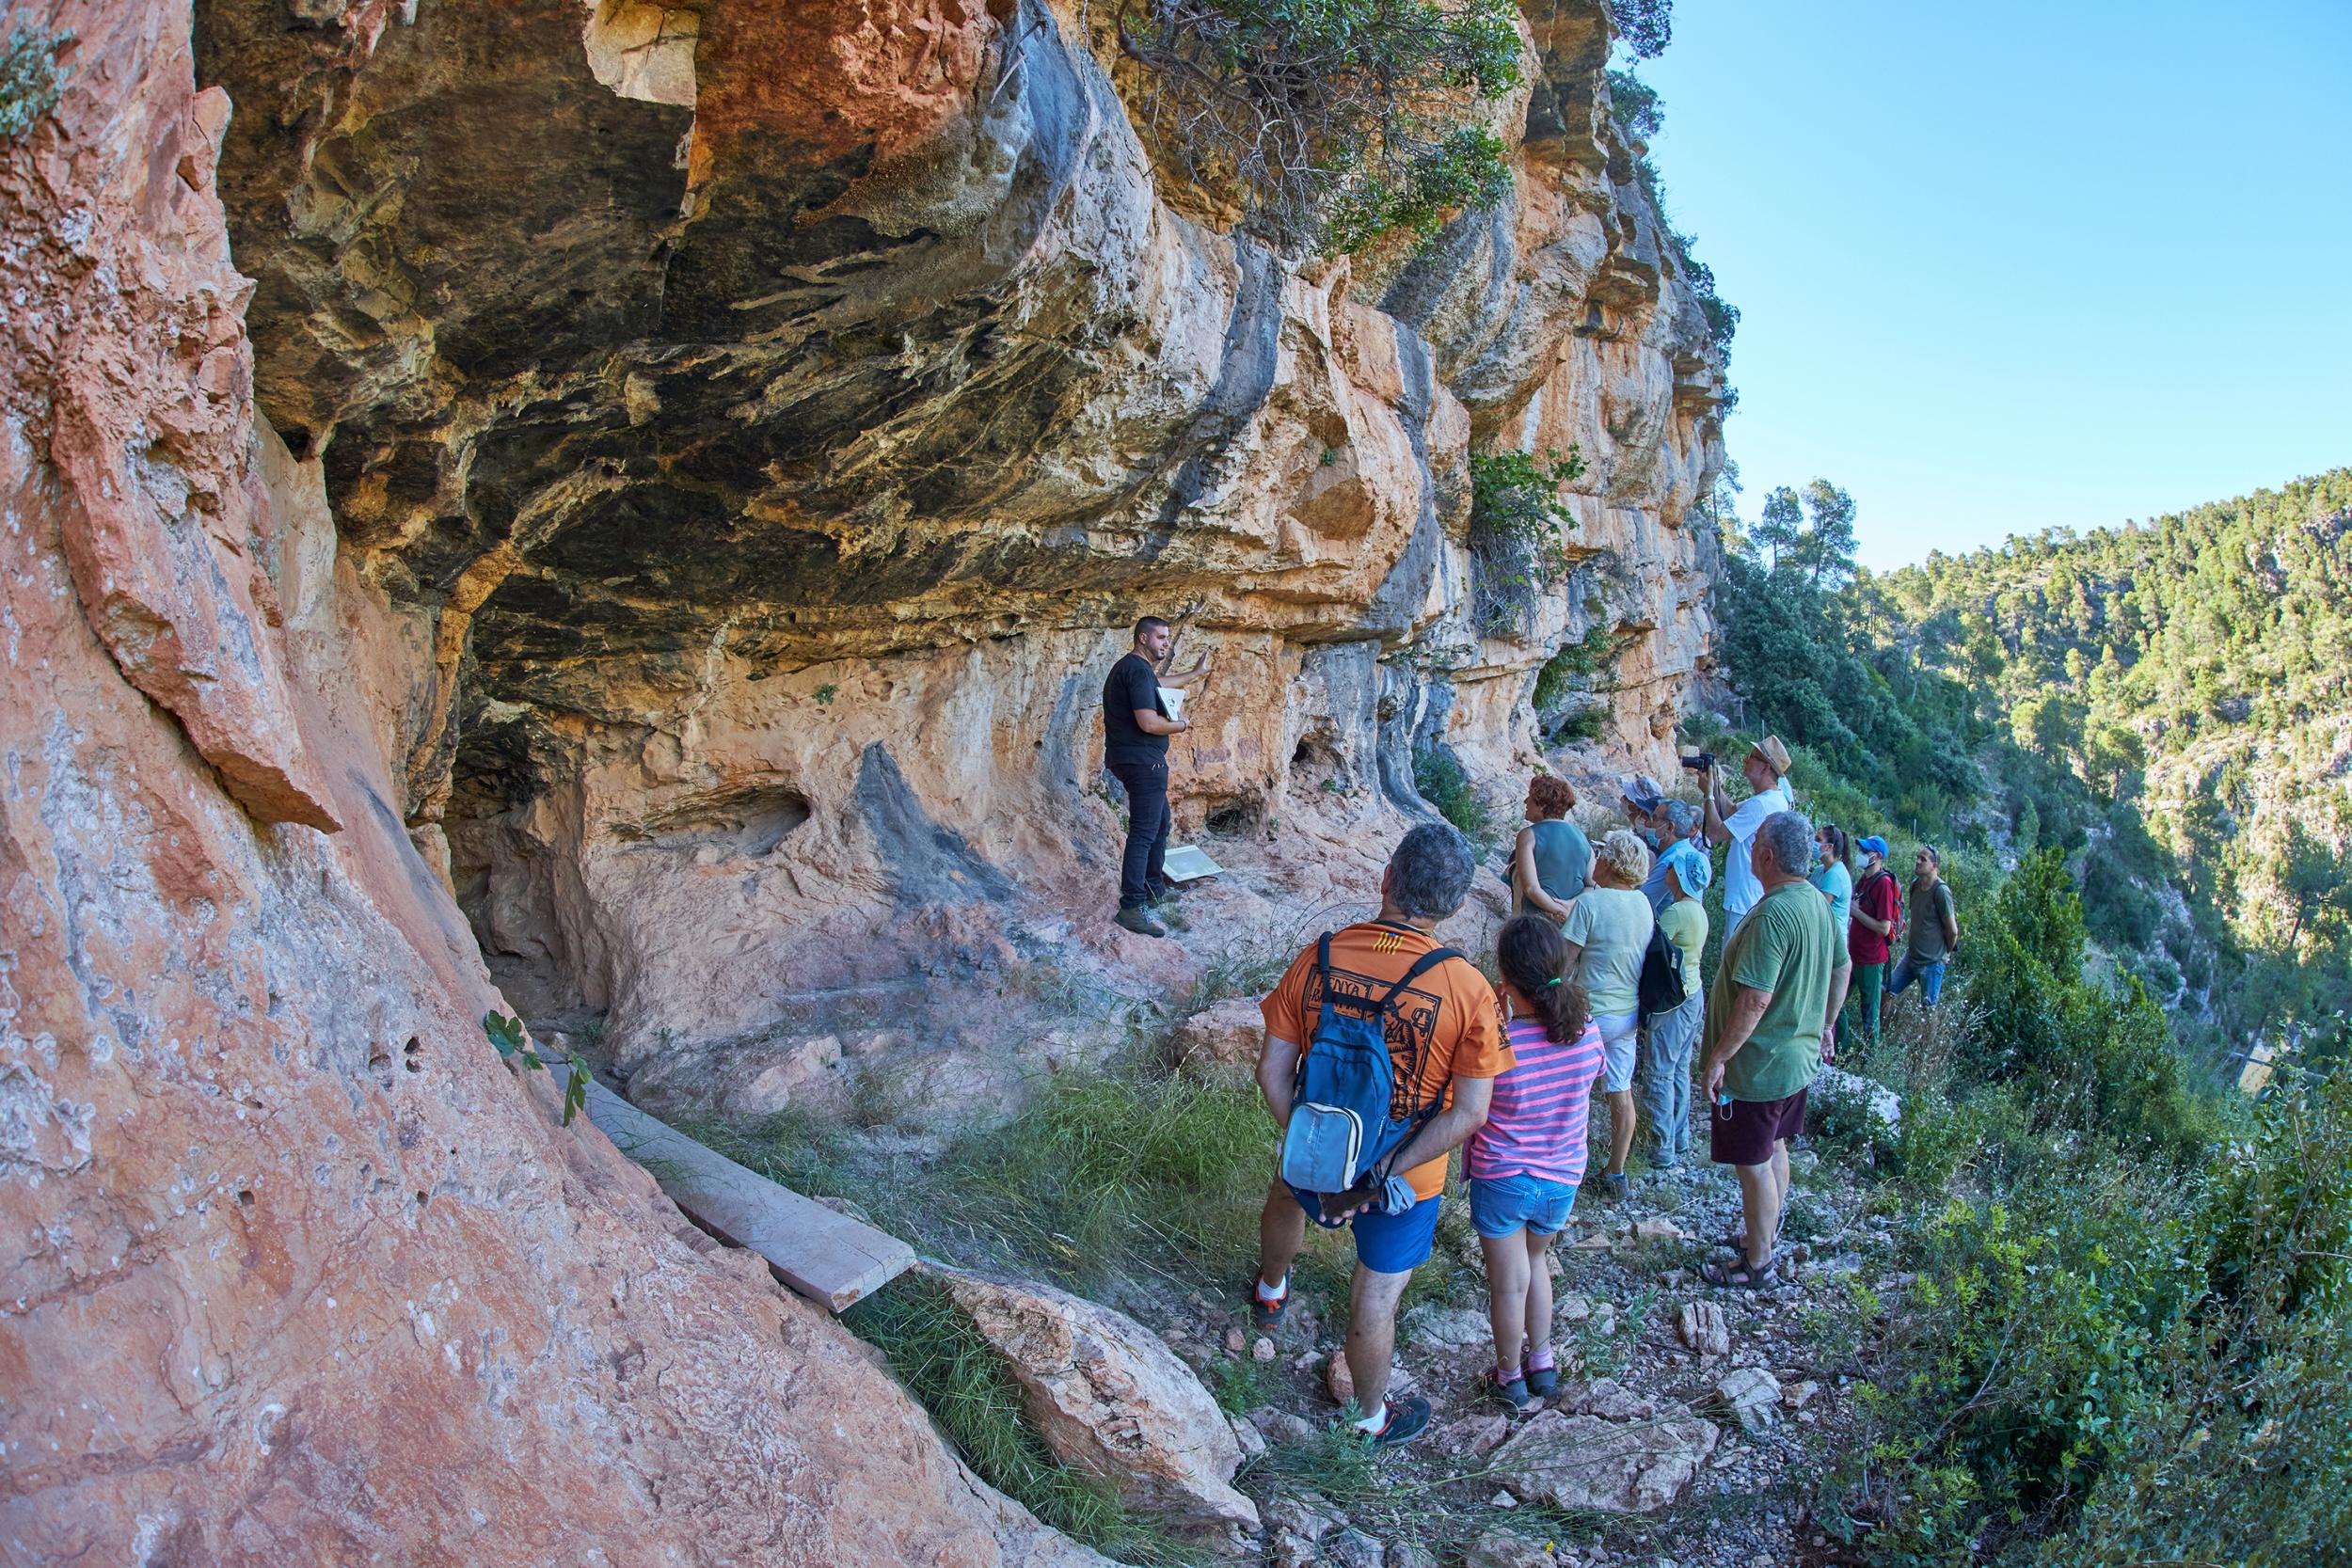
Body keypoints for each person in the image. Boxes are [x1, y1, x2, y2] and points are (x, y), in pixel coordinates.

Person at [1248, 823, 1507, 1449]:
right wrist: (1381, 1171)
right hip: (1405, 1180)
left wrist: (1315, 1144)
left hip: (1317, 1147)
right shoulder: (1468, 989)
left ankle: (1271, 1288)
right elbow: (1470, 1112)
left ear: (1386, 878)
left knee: (1286, 1199)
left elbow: (1271, 1069)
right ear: (1456, 905)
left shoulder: (1322, 954)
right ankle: (1367, 1418)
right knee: (1375, 1291)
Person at [1697, 811, 1841, 1290]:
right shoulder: (1816, 902)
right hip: (1795, 1060)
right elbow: (1841, 966)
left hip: (1759, 1067)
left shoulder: (1774, 914)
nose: (1752, 847)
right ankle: (1764, 1236)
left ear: (1767, 856)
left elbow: (1756, 998)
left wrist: (1719, 1056)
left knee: (1753, 1163)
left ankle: (1758, 1262)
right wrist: (1827, 1024)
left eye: (1756, 840)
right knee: (1776, 1145)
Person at [1466, 916, 1603, 1413]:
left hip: (1503, 1176)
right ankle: (1541, 1364)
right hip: (1562, 1178)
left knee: (1507, 1281)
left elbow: (1473, 1102)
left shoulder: (1501, 1044)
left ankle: (1508, 1377)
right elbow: (1593, 1079)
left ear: (1504, 980)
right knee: (1537, 1261)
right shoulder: (1587, 1033)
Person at [1561, 829, 1654, 1203]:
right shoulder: (1644, 904)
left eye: (1600, 856)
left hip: (1591, 1014)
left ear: (1611, 863)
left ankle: (1568, 1166)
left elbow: (1565, 962)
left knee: (1574, 1094)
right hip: (1628, 1014)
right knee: (1620, 1091)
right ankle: (1616, 1172)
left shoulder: (1590, 903)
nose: (1594, 862)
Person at [1102, 616, 1210, 938]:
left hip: (1138, 760)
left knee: (1160, 824)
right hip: (1142, 762)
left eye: (1167, 637)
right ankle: (1132, 907)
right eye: (1161, 637)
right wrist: (1182, 724)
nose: (1166, 642)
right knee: (1144, 833)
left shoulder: (1138, 671)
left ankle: (1151, 889)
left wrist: (1195, 674)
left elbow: (1159, 685)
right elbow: (1149, 723)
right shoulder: (1135, 669)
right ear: (1143, 638)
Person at [1639, 839, 1710, 1169]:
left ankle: (1660, 1144)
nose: (1666, 870)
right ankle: (1679, 1137)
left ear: (1680, 877)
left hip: (1674, 1000)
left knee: (1659, 1072)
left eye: (1671, 868)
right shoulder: (1698, 910)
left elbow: (1654, 949)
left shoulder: (1677, 912)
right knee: (1680, 1068)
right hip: (1694, 994)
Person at [1701, 736, 1793, 936]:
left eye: (1752, 757)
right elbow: (1732, 812)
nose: (1746, 760)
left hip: (1744, 900)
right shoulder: (1773, 800)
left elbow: (1716, 833)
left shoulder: (1761, 805)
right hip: (1752, 896)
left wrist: (1708, 795)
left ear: (1766, 768)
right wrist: (1714, 784)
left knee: (1733, 961)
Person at [1886, 845, 1961, 1008]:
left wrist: (1944, 954)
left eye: (1923, 859)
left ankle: (1931, 1035)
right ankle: (1879, 1032)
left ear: (1934, 866)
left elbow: (1953, 931)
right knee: (1886, 991)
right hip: (1911, 957)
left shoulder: (1941, 891)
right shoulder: (1915, 885)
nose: (1918, 861)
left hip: (1931, 963)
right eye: (1917, 858)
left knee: (1928, 1010)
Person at [1511, 775, 1592, 924]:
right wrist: (1569, 907)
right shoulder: (1582, 838)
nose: (1525, 802)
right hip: (1571, 922)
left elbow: (1531, 889)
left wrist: (1557, 910)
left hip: (1535, 921)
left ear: (1542, 804)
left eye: (1530, 797)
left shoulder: (1528, 835)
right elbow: (1592, 886)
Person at [1846, 835, 1899, 1045]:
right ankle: (1841, 1051)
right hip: (1854, 954)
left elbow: (1884, 927)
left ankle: (1869, 1060)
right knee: (1836, 1003)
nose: (1860, 854)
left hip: (1871, 958)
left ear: (1876, 856)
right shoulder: (1864, 880)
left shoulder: (1883, 884)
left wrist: (1856, 913)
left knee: (1869, 1013)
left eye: (1864, 851)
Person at [1810, 823, 1854, 1062]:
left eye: (1817, 839)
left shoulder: (1837, 874)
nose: (1813, 843)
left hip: (1830, 945)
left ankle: (1823, 1055)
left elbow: (1817, 906)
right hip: (1819, 942)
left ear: (1828, 847)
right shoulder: (1820, 871)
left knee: (1824, 999)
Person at [1640, 799, 1704, 912]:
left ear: (1669, 828)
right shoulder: (1689, 852)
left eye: (1654, 819)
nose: (1649, 823)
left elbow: (1641, 904)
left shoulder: (1671, 863)